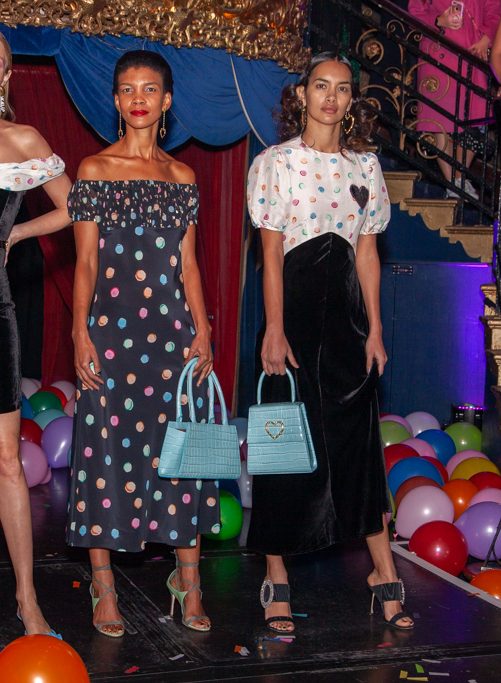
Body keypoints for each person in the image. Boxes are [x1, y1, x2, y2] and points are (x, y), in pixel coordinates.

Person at [246, 52, 414, 634]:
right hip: (290, 319)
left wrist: (376, 329)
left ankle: (383, 572)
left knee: (358, 449)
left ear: (351, 101)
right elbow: (270, 254)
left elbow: (367, 255)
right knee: (282, 448)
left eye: (342, 89)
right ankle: (277, 575)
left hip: (348, 327)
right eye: (321, 86)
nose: (331, 97)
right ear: (302, 94)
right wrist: (273, 327)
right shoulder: (275, 163)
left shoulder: (365, 167)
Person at [66, 50, 218, 637]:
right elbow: (84, 263)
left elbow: (189, 266)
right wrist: (79, 330)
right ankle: (103, 588)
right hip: (110, 335)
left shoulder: (183, 177)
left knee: (183, 452)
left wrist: (203, 328)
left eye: (149, 88)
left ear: (167, 100)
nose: (138, 98)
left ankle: (189, 581)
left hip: (173, 337)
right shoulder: (94, 169)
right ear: (115, 99)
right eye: (127, 88)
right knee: (103, 451)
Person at [0, 32, 71, 636]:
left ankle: (28, 602)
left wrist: (18, 233)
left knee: (6, 460)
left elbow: (76, 207)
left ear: (5, 76)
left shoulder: (21, 140)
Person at [408, 1, 501, 199]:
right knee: (438, 122)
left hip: (472, 54)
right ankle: (454, 183)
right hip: (438, 52)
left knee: (476, 119)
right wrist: (438, 21)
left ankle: (457, 179)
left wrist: (486, 39)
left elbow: (494, 11)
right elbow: (415, 10)